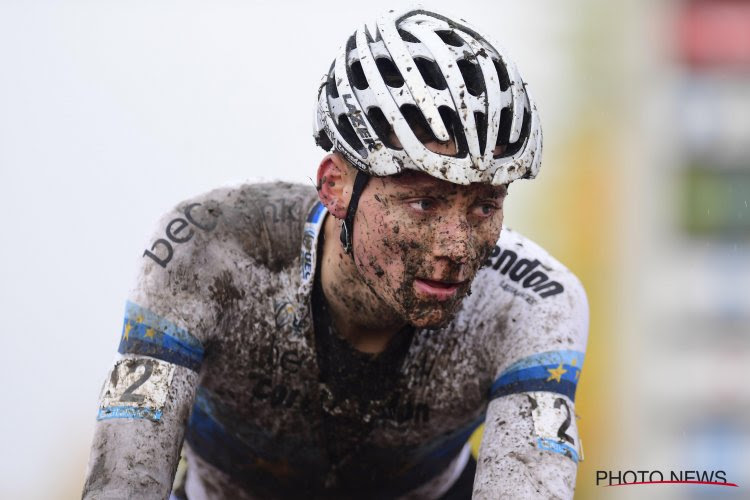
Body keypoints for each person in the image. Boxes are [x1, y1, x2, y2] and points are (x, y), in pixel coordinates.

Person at [82, 7, 588, 499]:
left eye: (485, 206)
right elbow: (124, 480)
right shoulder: (205, 250)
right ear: (335, 186)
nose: (456, 247)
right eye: (423, 202)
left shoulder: (533, 301)